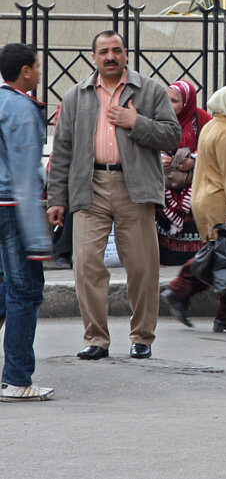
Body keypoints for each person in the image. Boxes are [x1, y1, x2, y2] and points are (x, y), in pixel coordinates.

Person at [47, 30, 181, 361]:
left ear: (125, 55)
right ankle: (96, 338)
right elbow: (61, 149)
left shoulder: (149, 91)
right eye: (104, 51)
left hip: (133, 188)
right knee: (87, 264)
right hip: (89, 185)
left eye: (116, 50)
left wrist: (136, 121)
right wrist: (57, 199)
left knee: (141, 267)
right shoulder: (76, 96)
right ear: (93, 57)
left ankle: (142, 336)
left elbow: (171, 137)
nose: (110, 56)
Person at [161, 86, 226, 334]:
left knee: (225, 256)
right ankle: (184, 292)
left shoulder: (215, 127)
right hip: (224, 202)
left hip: (209, 199)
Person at [0, 43, 53, 401]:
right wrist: (37, 237)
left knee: (5, 290)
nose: (39, 72)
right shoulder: (21, 108)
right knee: (25, 291)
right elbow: (24, 174)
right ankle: (17, 378)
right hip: (12, 207)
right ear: (25, 72)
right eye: (37, 66)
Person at [156, 80, 212, 266]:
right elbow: (147, 143)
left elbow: (215, 148)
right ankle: (167, 256)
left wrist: (195, 161)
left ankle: (195, 261)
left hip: (194, 183)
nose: (169, 105)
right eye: (167, 100)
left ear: (187, 102)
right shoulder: (159, 119)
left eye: (175, 101)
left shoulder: (202, 119)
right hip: (167, 183)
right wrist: (160, 157)